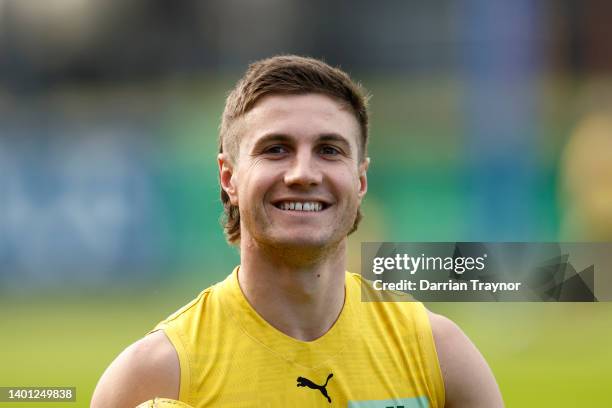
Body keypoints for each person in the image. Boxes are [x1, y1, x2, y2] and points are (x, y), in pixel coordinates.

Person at [91, 55, 503, 408]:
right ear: (228, 177)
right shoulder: (154, 375)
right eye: (276, 149)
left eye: (329, 150)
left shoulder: (439, 355)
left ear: (360, 181)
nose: (303, 173)